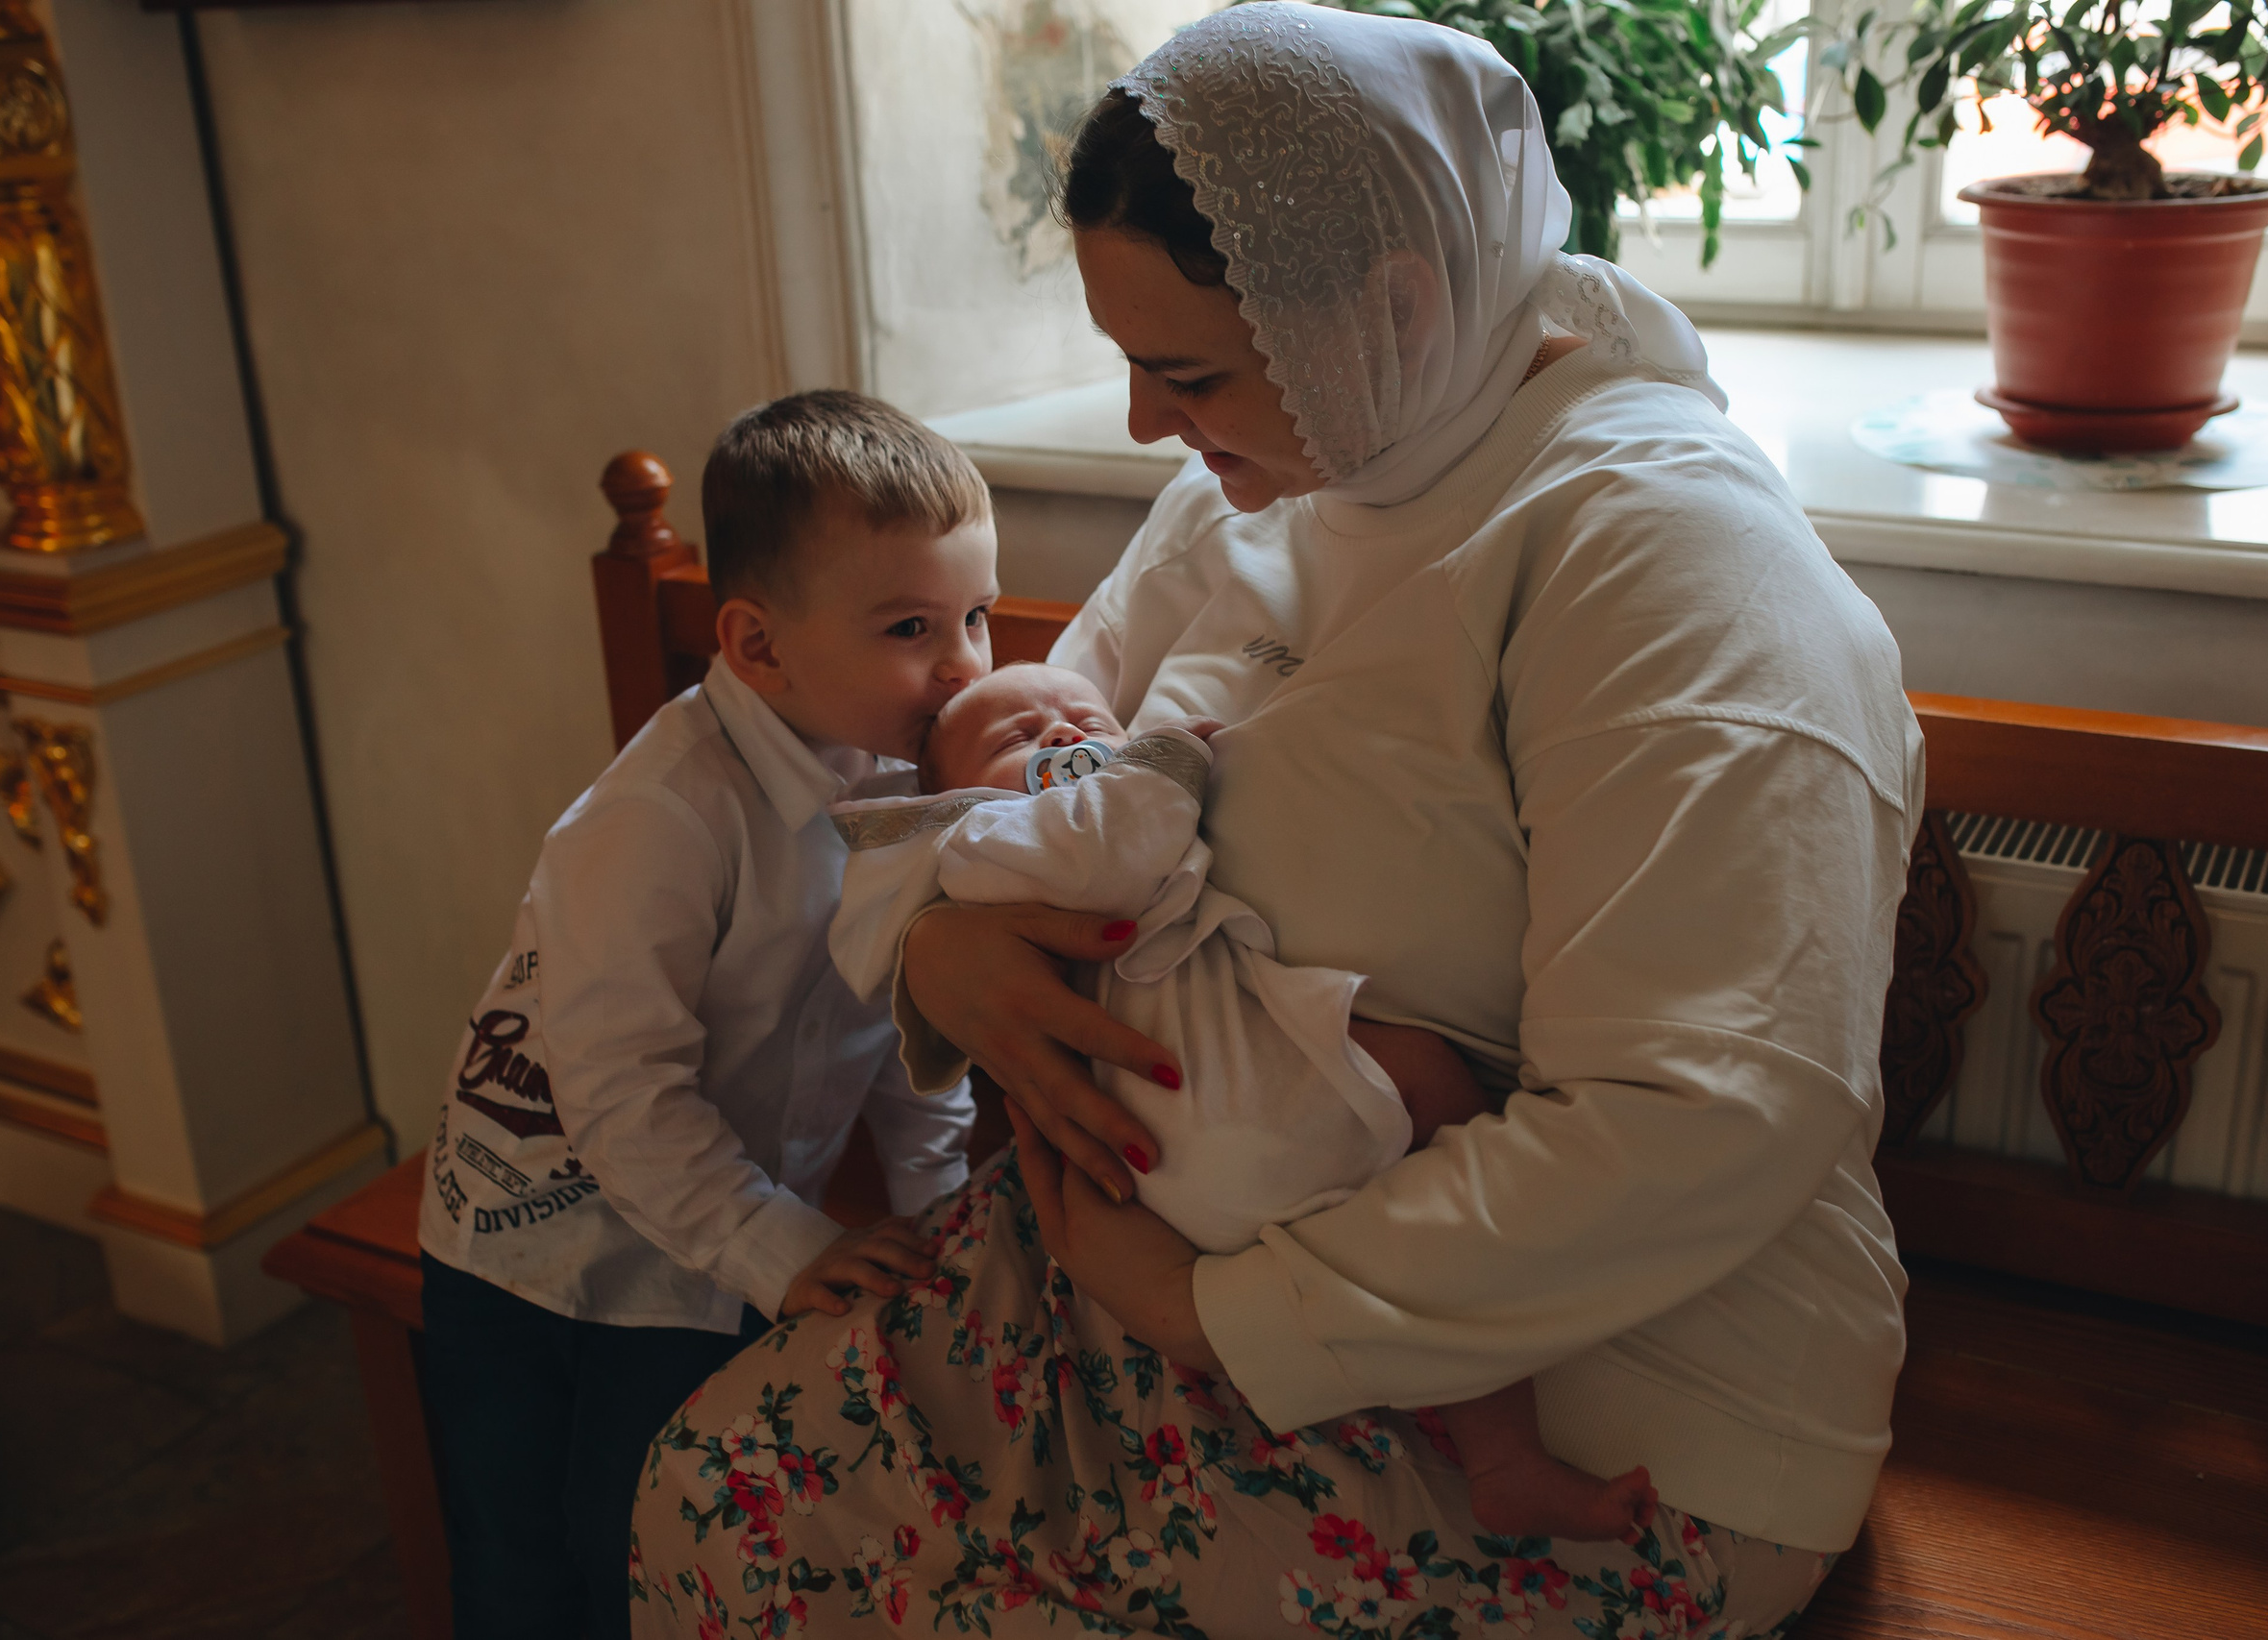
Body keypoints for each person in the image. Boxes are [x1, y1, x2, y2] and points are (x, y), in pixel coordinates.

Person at [633, 9, 1921, 1635]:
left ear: (1393, 307)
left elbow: (1705, 1115)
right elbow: (986, 778)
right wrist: (941, 948)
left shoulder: (1671, 566)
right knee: (713, 1487)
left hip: (1601, 1398)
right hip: (1138, 1265)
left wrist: (1204, 1307)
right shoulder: (1273, 472)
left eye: (1183, 371)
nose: (1141, 427)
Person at [832, 658, 1660, 1540]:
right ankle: (1491, 1451)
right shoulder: (989, 843)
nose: (1065, 737)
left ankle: (1502, 1462)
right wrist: (1164, 757)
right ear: (956, 798)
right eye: (1019, 739)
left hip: (1175, 1157)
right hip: (1216, 1110)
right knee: (1435, 1094)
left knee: (1438, 1228)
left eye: (1084, 717)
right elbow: (1115, 849)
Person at [417, 389, 1000, 1639]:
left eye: (978, 617)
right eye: (913, 626)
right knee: (540, 1565)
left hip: (719, 1220)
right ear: (758, 645)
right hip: (541, 1246)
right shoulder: (662, 817)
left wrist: (934, 1207)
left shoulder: (906, 776)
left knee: (665, 1523)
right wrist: (782, 1243)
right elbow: (619, 1090)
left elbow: (915, 1011)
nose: (966, 665)